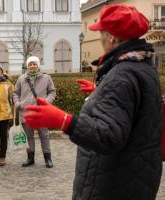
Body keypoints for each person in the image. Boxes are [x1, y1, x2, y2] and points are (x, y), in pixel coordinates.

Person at [23, 5, 162, 200]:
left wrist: (63, 120)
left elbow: (109, 136)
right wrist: (101, 91)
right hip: (135, 175)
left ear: (112, 38)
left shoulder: (122, 75)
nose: (99, 38)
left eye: (101, 33)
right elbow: (133, 109)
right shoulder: (142, 66)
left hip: (112, 183)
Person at [13, 56, 56, 168]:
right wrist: (18, 104)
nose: (32, 66)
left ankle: (48, 158)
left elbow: (52, 92)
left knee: (44, 135)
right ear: (27, 66)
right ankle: (30, 158)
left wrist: (46, 101)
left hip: (41, 111)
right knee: (29, 136)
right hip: (26, 111)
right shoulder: (21, 78)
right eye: (30, 64)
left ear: (38, 65)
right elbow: (15, 93)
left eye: (34, 64)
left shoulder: (46, 77)